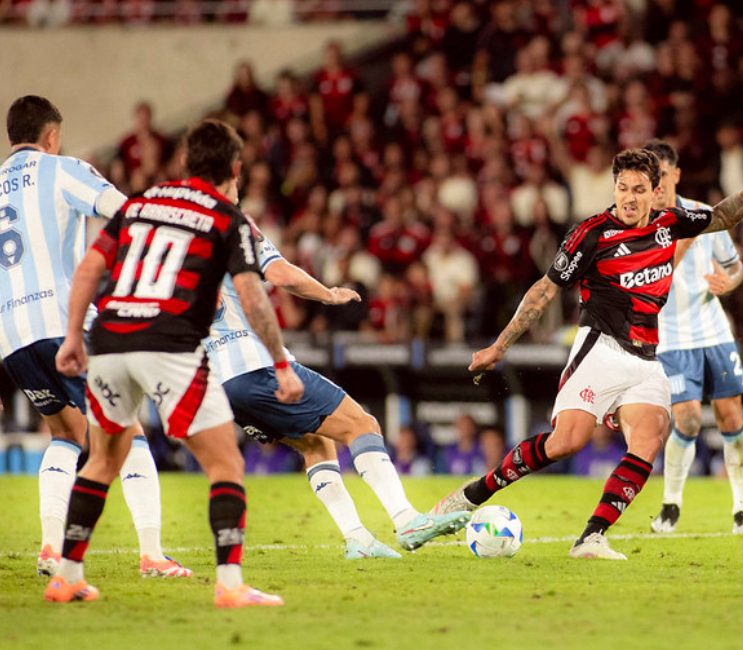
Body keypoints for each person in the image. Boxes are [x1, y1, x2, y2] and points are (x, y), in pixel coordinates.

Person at [433, 148, 743, 559]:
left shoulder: (672, 223)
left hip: (646, 359)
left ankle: (592, 537)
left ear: (657, 193)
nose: (629, 198)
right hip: (600, 348)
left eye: (639, 190)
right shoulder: (592, 233)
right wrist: (499, 345)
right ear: (613, 187)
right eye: (622, 188)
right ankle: (471, 496)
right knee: (566, 442)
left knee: (650, 438)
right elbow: (545, 290)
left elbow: (724, 215)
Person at [46, 120, 304, 607]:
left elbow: (90, 268)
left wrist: (73, 336)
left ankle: (67, 576)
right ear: (235, 168)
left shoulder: (140, 203)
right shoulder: (228, 217)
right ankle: (230, 585)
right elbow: (252, 295)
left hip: (111, 338)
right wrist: (281, 364)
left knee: (101, 459)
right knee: (225, 461)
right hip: (170, 343)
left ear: (184, 162)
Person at [0, 95, 188, 579]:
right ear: (51, 136)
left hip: (11, 336)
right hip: (66, 325)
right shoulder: (63, 169)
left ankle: (48, 548)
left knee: (63, 432)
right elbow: (123, 212)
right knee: (127, 430)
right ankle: (152, 554)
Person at [205, 224, 470, 558]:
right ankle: (406, 519)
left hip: (222, 383)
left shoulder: (174, 239)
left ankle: (357, 539)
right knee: (362, 424)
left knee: (315, 443)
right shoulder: (233, 224)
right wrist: (329, 294)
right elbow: (282, 273)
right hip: (256, 364)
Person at [642, 140, 743, 535]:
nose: (656, 183)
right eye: (648, 176)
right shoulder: (639, 228)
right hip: (670, 338)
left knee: (730, 417)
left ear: (675, 174)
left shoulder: (706, 216)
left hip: (713, 332)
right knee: (687, 420)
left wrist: (730, 281)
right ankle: (671, 505)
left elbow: (735, 266)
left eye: (661, 174)